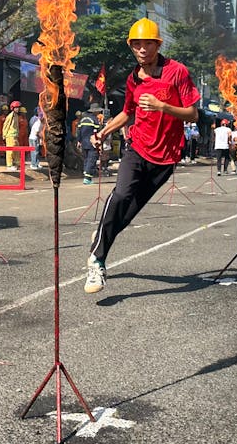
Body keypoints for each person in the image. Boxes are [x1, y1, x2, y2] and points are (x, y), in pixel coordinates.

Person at [85, 18, 199, 293]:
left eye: (147, 44)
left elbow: (193, 113)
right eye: (136, 45)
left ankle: (104, 230)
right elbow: (128, 113)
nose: (142, 49)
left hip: (167, 157)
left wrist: (163, 106)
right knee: (122, 195)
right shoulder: (133, 78)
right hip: (137, 148)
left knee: (129, 213)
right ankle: (97, 262)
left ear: (157, 45)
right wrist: (103, 132)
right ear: (132, 48)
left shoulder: (177, 72)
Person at [78, 106, 101, 184]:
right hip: (92, 143)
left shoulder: (82, 120)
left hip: (84, 143)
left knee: (86, 159)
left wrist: (79, 141)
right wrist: (98, 142)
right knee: (91, 159)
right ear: (94, 112)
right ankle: (87, 178)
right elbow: (97, 132)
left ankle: (85, 175)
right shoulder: (95, 120)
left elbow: (79, 131)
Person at [2, 100, 21, 171]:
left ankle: (16, 164)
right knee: (10, 151)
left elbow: (16, 126)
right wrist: (4, 135)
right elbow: (6, 125)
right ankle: (9, 165)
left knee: (16, 151)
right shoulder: (10, 116)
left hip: (15, 136)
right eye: (16, 107)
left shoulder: (16, 116)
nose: (18, 109)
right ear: (13, 108)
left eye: (18, 107)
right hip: (10, 136)